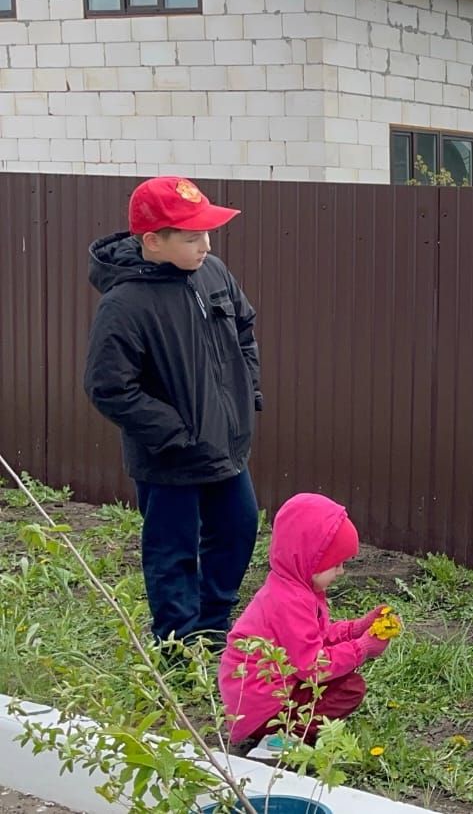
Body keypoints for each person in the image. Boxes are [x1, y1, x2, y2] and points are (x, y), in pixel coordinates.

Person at [84, 176, 263, 649]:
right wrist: (175, 432)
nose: (205, 244)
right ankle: (177, 648)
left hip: (225, 442)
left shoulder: (213, 273)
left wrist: (248, 393)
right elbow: (108, 386)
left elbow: (244, 328)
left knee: (239, 527)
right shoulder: (123, 304)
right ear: (153, 241)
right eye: (191, 236)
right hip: (169, 457)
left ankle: (211, 627)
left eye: (207, 233)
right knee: (172, 551)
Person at [219, 493, 395, 760]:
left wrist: (358, 628)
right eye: (335, 564)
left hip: (259, 699)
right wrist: (362, 648)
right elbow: (313, 667)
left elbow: (316, 638)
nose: (341, 571)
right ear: (310, 559)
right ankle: (281, 739)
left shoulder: (292, 587)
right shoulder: (290, 602)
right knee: (349, 689)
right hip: (262, 707)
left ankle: (282, 730)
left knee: (344, 684)